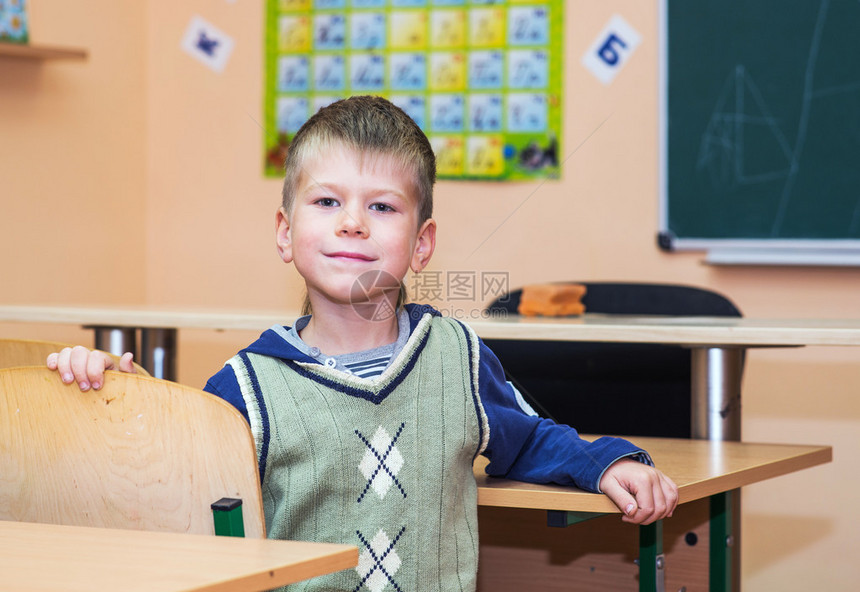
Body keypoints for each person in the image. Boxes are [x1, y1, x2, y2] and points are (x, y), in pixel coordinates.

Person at [48, 95, 677, 592]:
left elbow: (531, 438)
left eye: (381, 207)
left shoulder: (457, 355)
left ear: (422, 244)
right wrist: (114, 392)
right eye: (327, 201)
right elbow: (172, 485)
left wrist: (607, 464)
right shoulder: (245, 385)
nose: (352, 222)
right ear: (285, 232)